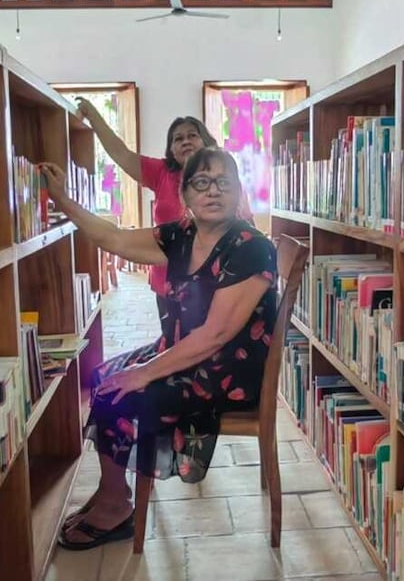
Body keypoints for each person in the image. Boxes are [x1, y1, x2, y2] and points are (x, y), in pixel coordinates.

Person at [39, 147, 278, 551]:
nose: (213, 191)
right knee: (103, 377)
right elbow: (110, 237)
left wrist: (146, 371)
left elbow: (217, 335)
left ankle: (116, 505)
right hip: (185, 350)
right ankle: (111, 489)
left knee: (121, 391)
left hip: (226, 370)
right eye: (201, 182)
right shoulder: (180, 236)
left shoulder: (251, 246)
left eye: (224, 181)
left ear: (239, 191)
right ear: (184, 194)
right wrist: (61, 198)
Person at [73, 98, 252, 322]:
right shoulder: (161, 172)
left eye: (192, 135)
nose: (185, 141)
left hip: (216, 280)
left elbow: (246, 226)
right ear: (171, 149)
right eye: (178, 138)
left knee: (210, 348)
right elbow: (122, 154)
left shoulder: (225, 176)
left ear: (206, 141)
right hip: (168, 281)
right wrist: (93, 115)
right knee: (173, 345)